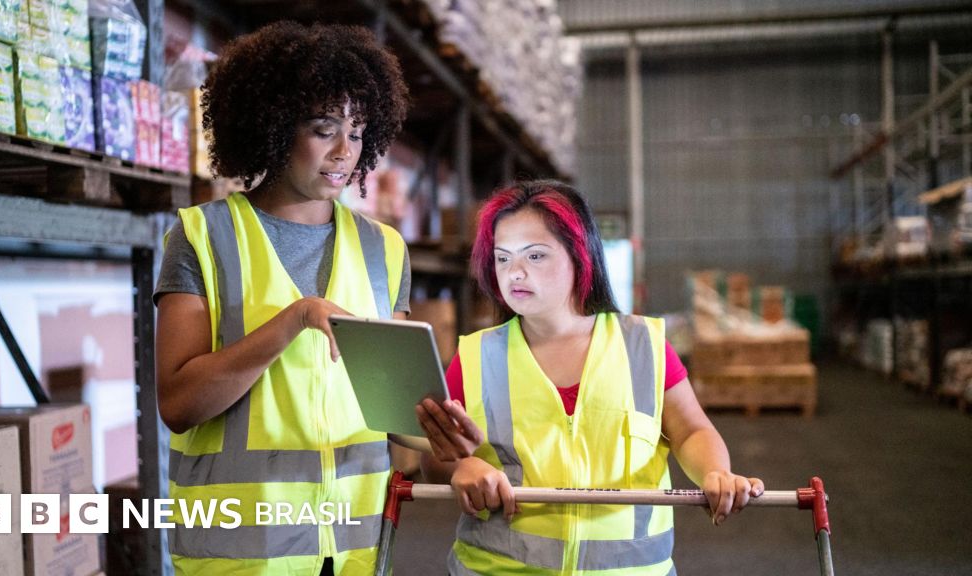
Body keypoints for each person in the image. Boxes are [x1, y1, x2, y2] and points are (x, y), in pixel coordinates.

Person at [154, 21, 411, 576]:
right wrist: (294, 319)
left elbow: (396, 417)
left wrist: (445, 430)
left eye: (359, 132)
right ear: (272, 126)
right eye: (324, 129)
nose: (345, 151)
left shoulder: (384, 250)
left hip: (354, 549)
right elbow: (177, 405)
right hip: (242, 555)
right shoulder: (202, 237)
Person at [417, 180, 764, 575]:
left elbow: (690, 430)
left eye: (535, 255)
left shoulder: (643, 346)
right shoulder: (475, 357)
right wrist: (462, 467)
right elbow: (435, 459)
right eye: (502, 258)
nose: (514, 272)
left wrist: (716, 471)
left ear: (580, 256)